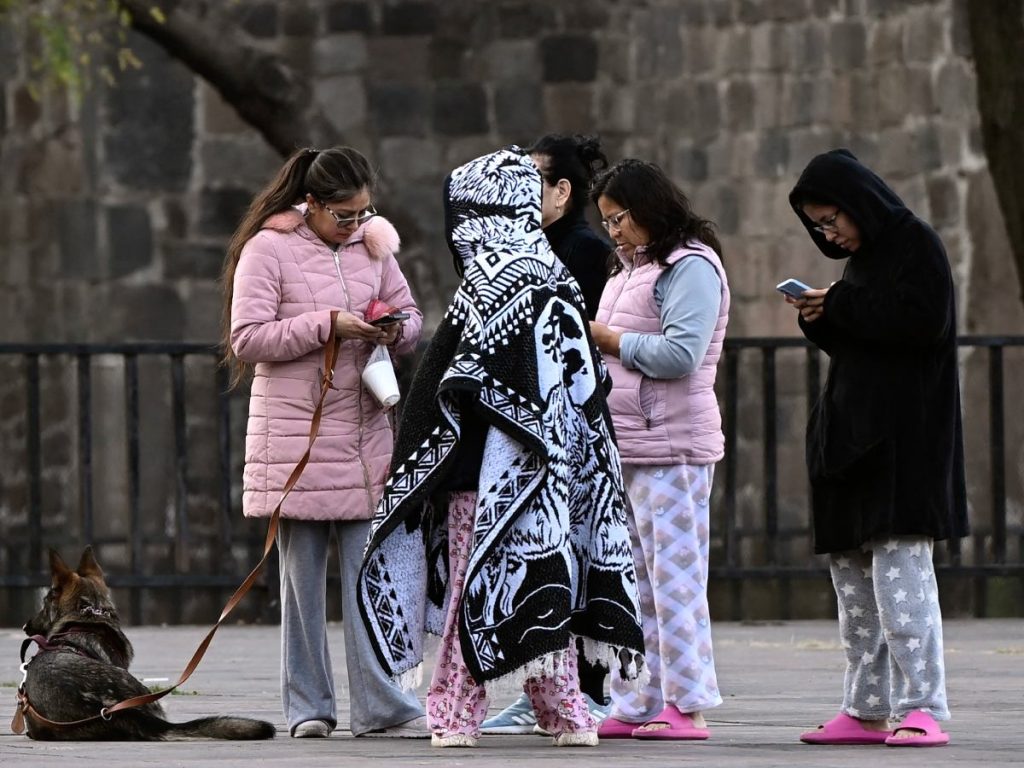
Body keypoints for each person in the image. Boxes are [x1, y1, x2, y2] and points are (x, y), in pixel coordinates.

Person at [356, 147, 646, 749]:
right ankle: (563, 710)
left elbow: (443, 386)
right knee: (547, 581)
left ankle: (455, 711)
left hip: (476, 476)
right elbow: (579, 387)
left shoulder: (484, 287)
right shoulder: (556, 279)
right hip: (555, 472)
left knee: (474, 584)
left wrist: (422, 463)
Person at [222, 146, 427, 739]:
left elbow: (412, 316)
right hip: (295, 440)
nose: (357, 225)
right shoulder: (268, 248)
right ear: (310, 204)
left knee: (372, 583)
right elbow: (248, 339)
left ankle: (382, 706)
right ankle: (310, 707)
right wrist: (328, 324)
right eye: (345, 215)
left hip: (362, 434)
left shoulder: (374, 244)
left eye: (365, 212)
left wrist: (393, 327)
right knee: (300, 586)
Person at [786, 149, 968, 748]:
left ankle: (921, 705)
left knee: (901, 579)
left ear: (860, 200)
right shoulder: (861, 263)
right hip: (851, 445)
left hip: (903, 446)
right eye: (817, 226)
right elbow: (863, 338)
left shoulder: (915, 244)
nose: (827, 232)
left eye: (832, 218)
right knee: (855, 588)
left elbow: (921, 323)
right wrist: (822, 315)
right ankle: (865, 706)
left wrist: (838, 303)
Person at [588, 159, 729, 741]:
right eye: (607, 222)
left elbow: (681, 355)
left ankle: (688, 704)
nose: (614, 231)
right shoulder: (629, 271)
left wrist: (609, 339)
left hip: (673, 445)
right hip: (632, 443)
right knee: (638, 582)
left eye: (620, 218)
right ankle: (641, 697)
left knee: (675, 579)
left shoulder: (689, 266)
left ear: (649, 209)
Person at [480, 134, 614, 736]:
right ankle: (548, 693)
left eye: (533, 178)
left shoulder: (579, 249)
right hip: (543, 426)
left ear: (562, 190)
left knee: (573, 560)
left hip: (569, 427)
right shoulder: (530, 245)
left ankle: (588, 690)